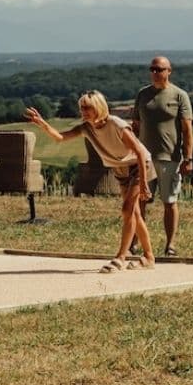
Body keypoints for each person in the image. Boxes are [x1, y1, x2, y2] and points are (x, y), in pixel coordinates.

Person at [25, 91, 156, 272]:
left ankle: (120, 257)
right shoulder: (87, 128)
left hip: (139, 165)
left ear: (98, 107)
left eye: (88, 108)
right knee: (133, 213)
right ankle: (149, 257)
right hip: (120, 169)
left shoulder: (116, 124)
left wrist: (143, 184)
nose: (83, 111)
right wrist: (42, 123)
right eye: (82, 108)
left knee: (127, 210)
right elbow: (60, 137)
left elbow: (140, 152)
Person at [131, 56, 193, 257]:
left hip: (169, 157)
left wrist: (188, 158)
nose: (155, 73)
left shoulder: (179, 96)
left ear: (169, 71)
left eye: (159, 69)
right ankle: (134, 242)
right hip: (144, 158)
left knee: (169, 201)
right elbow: (135, 126)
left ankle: (170, 244)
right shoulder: (142, 94)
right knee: (139, 201)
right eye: (152, 69)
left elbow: (187, 130)